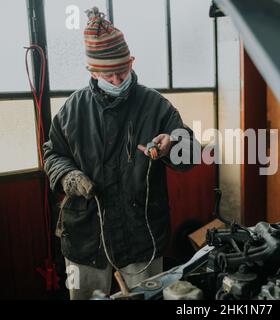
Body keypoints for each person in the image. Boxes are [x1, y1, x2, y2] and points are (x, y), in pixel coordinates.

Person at [43, 7, 198, 300]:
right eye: (107, 73)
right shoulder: (72, 110)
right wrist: (68, 175)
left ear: (132, 61)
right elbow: (52, 154)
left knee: (148, 297)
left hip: (143, 235)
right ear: (91, 71)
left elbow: (190, 153)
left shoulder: (155, 105)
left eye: (122, 70)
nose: (116, 79)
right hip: (85, 237)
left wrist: (174, 145)